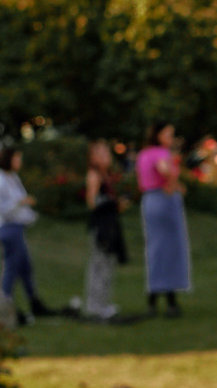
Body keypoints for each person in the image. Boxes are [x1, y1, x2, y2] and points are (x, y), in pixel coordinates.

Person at [0, 145, 50, 320]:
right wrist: (20, 202)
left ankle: (33, 301)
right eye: (17, 158)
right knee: (11, 267)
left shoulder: (11, 177)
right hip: (8, 228)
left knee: (25, 267)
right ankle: (3, 305)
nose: (19, 162)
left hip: (17, 227)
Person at [135, 119, 191, 314]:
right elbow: (164, 170)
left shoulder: (143, 154)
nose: (171, 139)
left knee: (156, 249)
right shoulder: (161, 153)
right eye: (168, 134)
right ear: (159, 136)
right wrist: (172, 181)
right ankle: (170, 301)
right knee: (169, 250)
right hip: (163, 202)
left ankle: (153, 299)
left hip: (150, 202)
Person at [82, 139, 128, 320]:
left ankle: (104, 303)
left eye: (106, 153)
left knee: (108, 265)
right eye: (100, 154)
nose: (105, 157)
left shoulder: (106, 176)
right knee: (98, 266)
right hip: (101, 227)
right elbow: (92, 202)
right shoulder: (94, 176)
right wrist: (111, 204)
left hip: (110, 225)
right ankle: (94, 306)